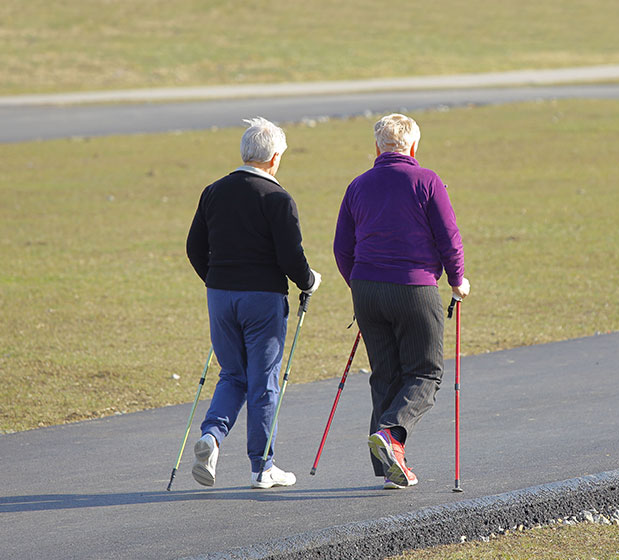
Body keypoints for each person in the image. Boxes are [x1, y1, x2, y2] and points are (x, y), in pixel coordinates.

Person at [333, 113, 470, 490]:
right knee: (426, 373)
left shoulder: (358, 185)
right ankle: (392, 437)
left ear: (377, 147)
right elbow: (449, 238)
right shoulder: (426, 180)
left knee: (386, 376)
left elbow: (342, 248)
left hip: (366, 288)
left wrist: (358, 285)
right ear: (413, 147)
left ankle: (390, 467)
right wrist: (458, 281)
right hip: (414, 287)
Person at [186, 117, 321, 489]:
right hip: (262, 300)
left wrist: (217, 281)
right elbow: (291, 257)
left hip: (220, 297)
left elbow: (194, 248)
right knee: (264, 382)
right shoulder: (278, 198)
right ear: (274, 157)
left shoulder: (213, 191)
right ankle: (262, 467)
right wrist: (310, 281)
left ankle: (211, 436)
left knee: (232, 374)